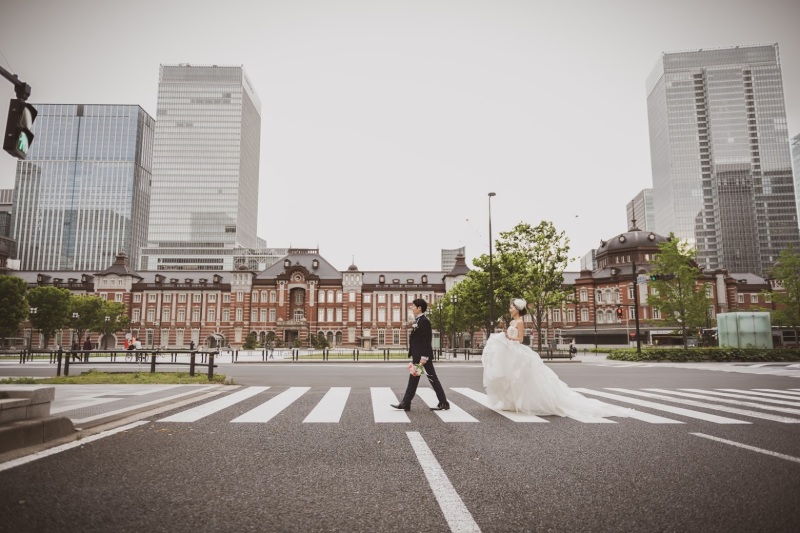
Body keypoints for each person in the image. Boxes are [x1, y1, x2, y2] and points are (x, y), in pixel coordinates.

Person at [481, 298, 632, 420]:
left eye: (511, 307)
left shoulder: (520, 322)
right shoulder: (512, 322)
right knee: (513, 377)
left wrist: (508, 337)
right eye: (510, 307)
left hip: (517, 350)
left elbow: (520, 339)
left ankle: (523, 402)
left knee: (521, 377)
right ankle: (513, 402)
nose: (510, 309)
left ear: (518, 310)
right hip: (512, 351)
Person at [392, 298, 450, 412]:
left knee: (433, 378)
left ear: (419, 308)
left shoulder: (424, 321)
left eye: (413, 306)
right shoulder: (418, 321)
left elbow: (426, 340)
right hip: (418, 357)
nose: (412, 308)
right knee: (413, 379)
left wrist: (424, 357)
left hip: (423, 358)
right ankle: (406, 403)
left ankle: (444, 402)